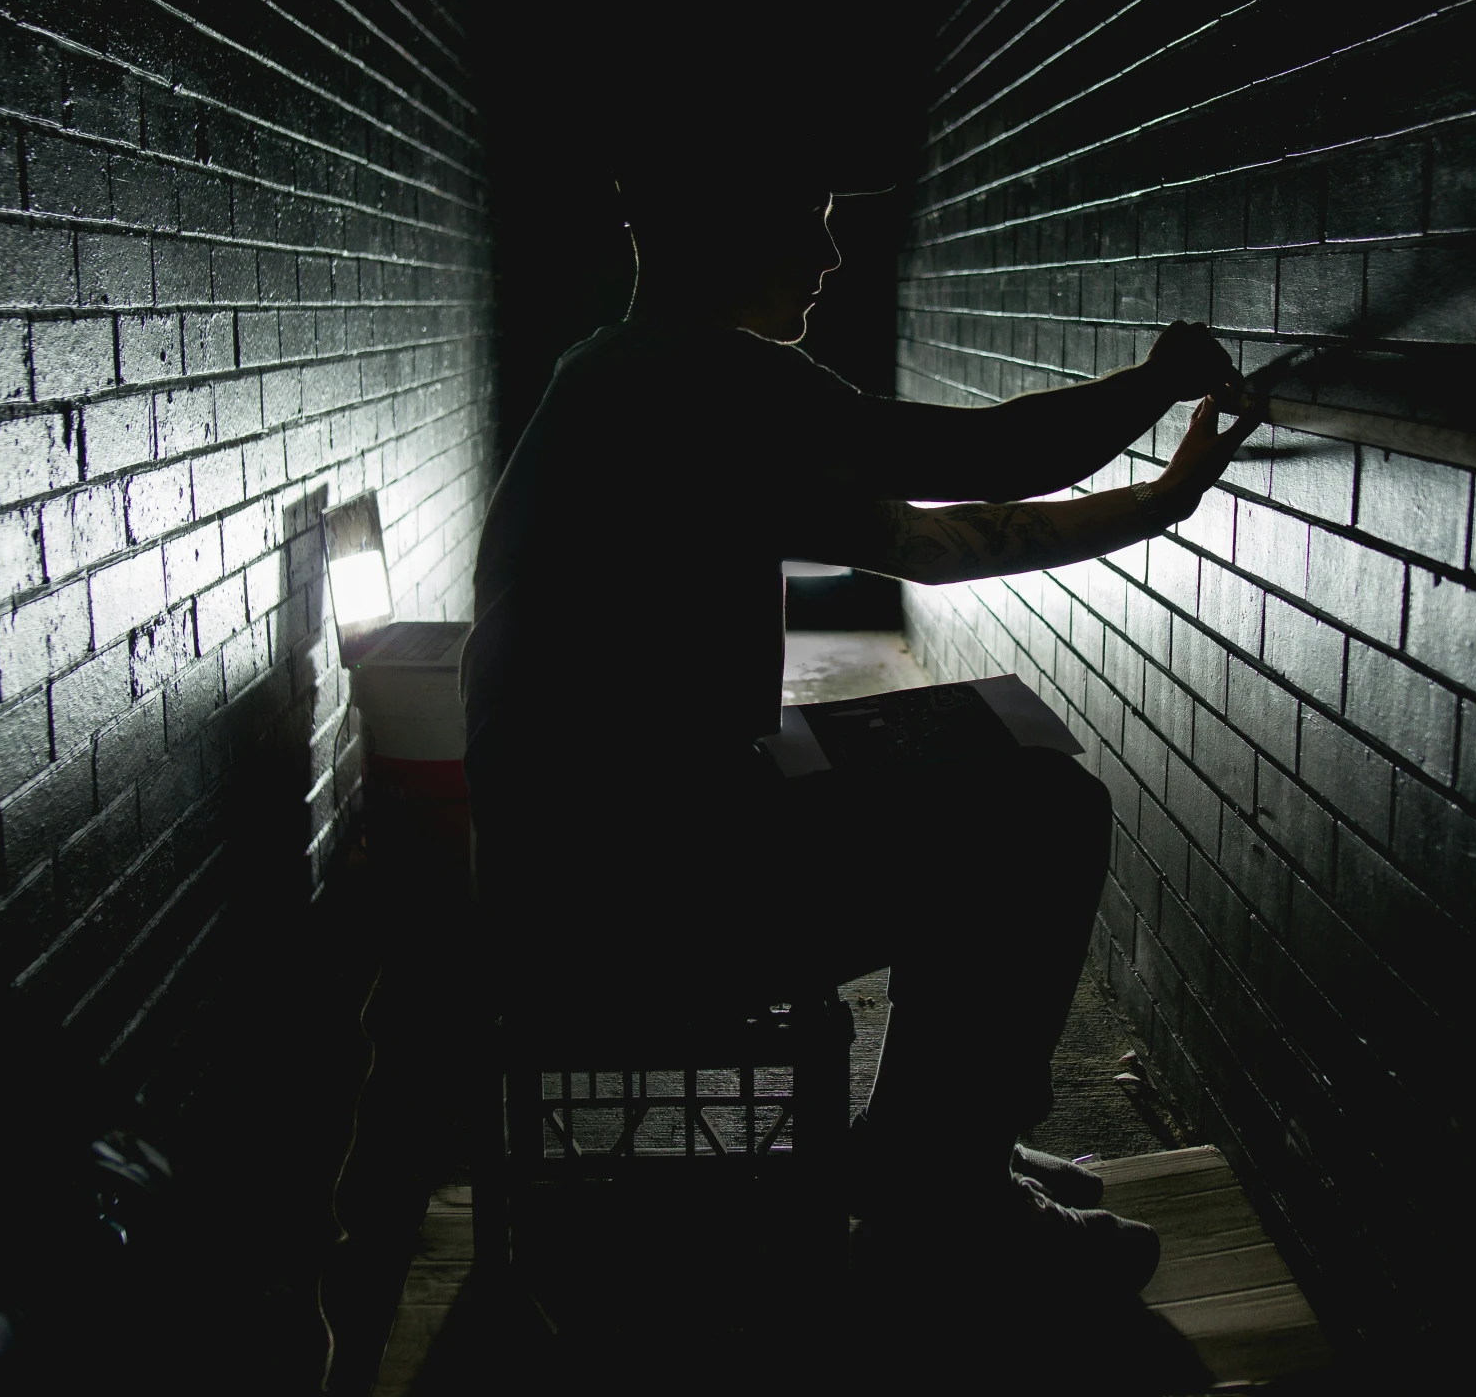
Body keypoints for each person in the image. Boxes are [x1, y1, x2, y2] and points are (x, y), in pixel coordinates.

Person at [461, 149, 1266, 1283]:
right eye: (809, 221)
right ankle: (939, 1181)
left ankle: (934, 1140)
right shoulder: (700, 376)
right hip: (630, 899)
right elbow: (983, 461)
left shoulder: (619, 379)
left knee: (989, 755)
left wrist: (1155, 502)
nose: (833, 256)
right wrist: (1158, 379)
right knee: (1043, 810)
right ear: (717, 234)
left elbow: (928, 546)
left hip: (598, 862)